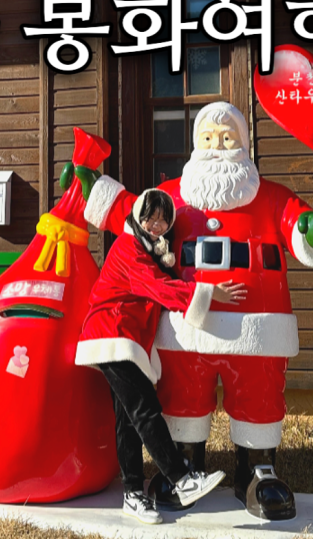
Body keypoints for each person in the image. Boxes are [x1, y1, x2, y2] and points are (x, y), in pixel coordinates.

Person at [80, 101, 313, 521]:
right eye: (208, 138)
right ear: (195, 144)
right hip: (189, 327)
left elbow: (298, 224)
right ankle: (185, 461)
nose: (218, 146)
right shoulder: (173, 198)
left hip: (258, 325)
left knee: (258, 393)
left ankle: (257, 469)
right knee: (182, 395)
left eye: (226, 137)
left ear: (244, 143)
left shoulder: (270, 197)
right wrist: (92, 188)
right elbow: (132, 212)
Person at [75, 188, 247, 525]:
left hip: (121, 336)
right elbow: (158, 287)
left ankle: (132, 494)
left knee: (128, 418)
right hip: (112, 333)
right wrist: (210, 293)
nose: (156, 224)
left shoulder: (149, 249)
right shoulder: (129, 249)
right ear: (138, 217)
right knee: (145, 408)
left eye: (163, 219)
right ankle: (181, 479)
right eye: (150, 217)